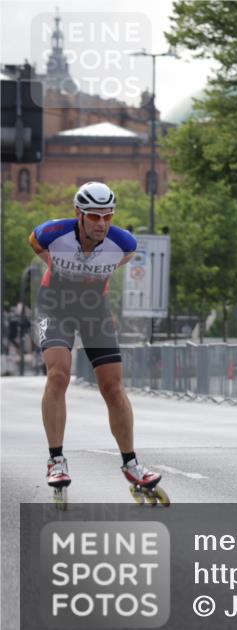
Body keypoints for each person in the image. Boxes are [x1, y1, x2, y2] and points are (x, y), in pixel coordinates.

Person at [28, 182, 164, 500]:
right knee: (59, 375)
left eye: (107, 216)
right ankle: (56, 460)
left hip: (95, 310)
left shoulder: (125, 244)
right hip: (54, 306)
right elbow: (34, 244)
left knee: (113, 387)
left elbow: (118, 261)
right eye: (93, 216)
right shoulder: (51, 233)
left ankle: (131, 463)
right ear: (78, 214)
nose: (101, 223)